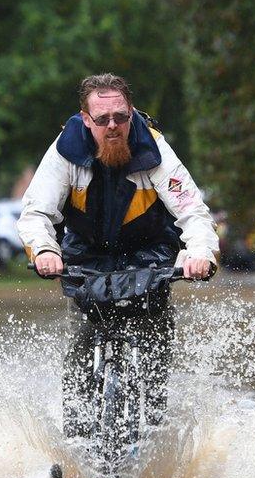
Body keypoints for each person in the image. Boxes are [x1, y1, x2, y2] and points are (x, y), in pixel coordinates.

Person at [16, 73, 219, 440]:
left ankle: (155, 427)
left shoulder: (155, 151)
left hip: (149, 251)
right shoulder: (65, 151)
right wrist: (45, 250)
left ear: (131, 114)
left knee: (156, 337)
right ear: (84, 119)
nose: (113, 126)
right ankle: (75, 438)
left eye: (121, 118)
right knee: (82, 344)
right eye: (102, 119)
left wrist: (199, 254)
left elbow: (193, 213)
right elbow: (35, 213)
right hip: (86, 253)